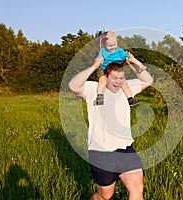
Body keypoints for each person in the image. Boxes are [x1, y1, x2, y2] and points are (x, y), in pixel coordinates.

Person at [68, 53, 153, 200]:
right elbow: (73, 85)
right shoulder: (93, 89)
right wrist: (94, 66)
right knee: (105, 196)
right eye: (114, 78)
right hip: (102, 153)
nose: (118, 82)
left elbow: (148, 80)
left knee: (137, 189)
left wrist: (133, 62)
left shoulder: (126, 89)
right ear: (105, 77)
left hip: (126, 149)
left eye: (121, 78)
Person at [94, 31, 147, 106]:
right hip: (104, 69)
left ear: (117, 42)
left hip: (116, 70)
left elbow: (130, 58)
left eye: (114, 45)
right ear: (104, 44)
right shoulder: (102, 51)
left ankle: (130, 99)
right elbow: (98, 60)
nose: (112, 47)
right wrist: (99, 61)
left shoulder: (120, 51)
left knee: (123, 82)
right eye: (109, 46)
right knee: (102, 80)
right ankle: (100, 97)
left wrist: (140, 64)